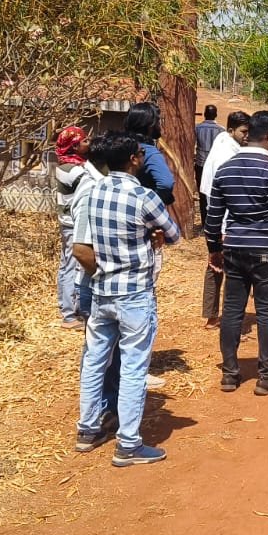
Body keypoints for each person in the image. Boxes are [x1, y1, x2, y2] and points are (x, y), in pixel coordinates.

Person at [72, 133, 181, 466]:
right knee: (133, 368)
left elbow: (81, 247)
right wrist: (150, 234)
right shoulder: (143, 196)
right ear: (134, 159)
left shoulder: (91, 192)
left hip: (101, 290)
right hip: (134, 294)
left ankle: (88, 430)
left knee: (94, 361)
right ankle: (128, 444)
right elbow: (174, 234)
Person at [205, 111, 268, 395]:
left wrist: (214, 249)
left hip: (234, 248)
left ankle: (230, 374)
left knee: (233, 310)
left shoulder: (226, 168)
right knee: (267, 310)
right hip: (267, 249)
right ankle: (266, 376)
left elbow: (213, 218)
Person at [198, 111, 250, 328]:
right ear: (231, 130)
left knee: (216, 266)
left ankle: (213, 314)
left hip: (217, 217)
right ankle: (224, 316)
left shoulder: (224, 144)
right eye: (243, 132)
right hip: (224, 219)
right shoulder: (227, 154)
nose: (247, 136)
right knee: (226, 268)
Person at [53, 125, 92, 328]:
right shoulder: (74, 170)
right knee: (70, 265)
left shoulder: (67, 165)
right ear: (74, 146)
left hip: (67, 221)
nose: (88, 143)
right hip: (72, 223)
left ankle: (70, 307)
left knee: (68, 263)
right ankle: (68, 314)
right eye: (84, 141)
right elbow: (93, 184)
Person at [124, 102, 176, 206]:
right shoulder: (150, 153)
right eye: (157, 121)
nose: (159, 125)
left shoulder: (123, 146)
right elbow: (166, 184)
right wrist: (150, 205)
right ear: (150, 126)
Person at [193, 105, 223, 226]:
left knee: (202, 193)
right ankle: (215, 221)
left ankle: (204, 222)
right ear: (215, 115)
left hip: (200, 164)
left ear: (204, 114)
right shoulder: (221, 130)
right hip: (215, 166)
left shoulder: (197, 128)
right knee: (216, 193)